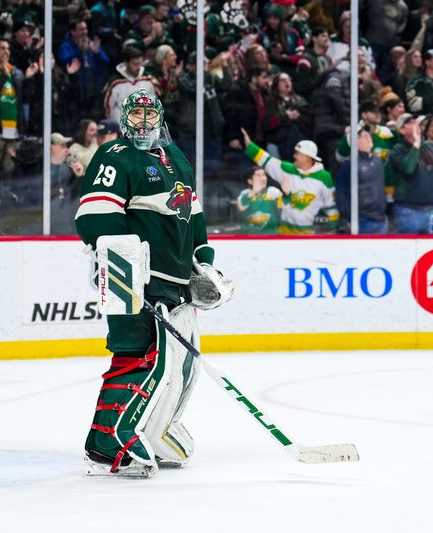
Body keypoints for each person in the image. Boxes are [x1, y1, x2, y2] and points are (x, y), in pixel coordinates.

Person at [77, 89, 231, 477]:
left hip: (176, 281)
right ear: (124, 119)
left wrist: (203, 262)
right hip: (135, 278)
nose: (143, 124)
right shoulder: (114, 157)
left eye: (150, 117)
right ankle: (108, 441)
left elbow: (191, 214)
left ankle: (158, 428)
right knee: (139, 356)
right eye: (136, 117)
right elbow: (95, 216)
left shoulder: (175, 157)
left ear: (159, 118)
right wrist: (121, 268)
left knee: (180, 365)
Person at [241, 128, 339, 234]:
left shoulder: (324, 177)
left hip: (308, 233)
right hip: (283, 230)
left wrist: (333, 230)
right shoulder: (287, 169)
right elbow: (267, 160)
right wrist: (250, 146)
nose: (294, 156)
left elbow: (331, 205)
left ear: (307, 157)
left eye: (297, 153)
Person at [0, 37, 39, 180]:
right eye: (2, 48)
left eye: (8, 49)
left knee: (11, 172)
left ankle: (7, 203)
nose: (6, 52)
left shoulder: (16, 72)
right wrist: (3, 75)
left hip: (14, 131)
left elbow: (26, 97)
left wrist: (28, 79)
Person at [388, 113, 433, 234]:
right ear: (402, 130)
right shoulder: (397, 150)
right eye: (410, 122)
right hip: (407, 210)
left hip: (432, 209)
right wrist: (416, 145)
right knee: (408, 251)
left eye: (415, 121)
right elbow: (409, 168)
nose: (415, 124)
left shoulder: (431, 147)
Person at [335, 128, 388, 234]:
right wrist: (350, 218)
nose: (367, 137)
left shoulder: (377, 161)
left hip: (380, 218)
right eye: (361, 136)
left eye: (367, 135)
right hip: (362, 220)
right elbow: (341, 194)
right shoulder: (349, 165)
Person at [103, 46, 159, 123]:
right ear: (126, 63)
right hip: (122, 129)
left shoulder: (148, 80)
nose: (138, 67)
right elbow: (108, 107)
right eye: (135, 64)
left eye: (140, 63)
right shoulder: (115, 83)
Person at [236, 166, 283, 234]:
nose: (263, 178)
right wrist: (253, 192)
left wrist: (287, 193)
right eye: (258, 175)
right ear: (250, 181)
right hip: (250, 237)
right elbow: (241, 206)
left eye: (264, 175)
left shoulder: (273, 192)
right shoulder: (245, 193)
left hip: (271, 236)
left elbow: (283, 211)